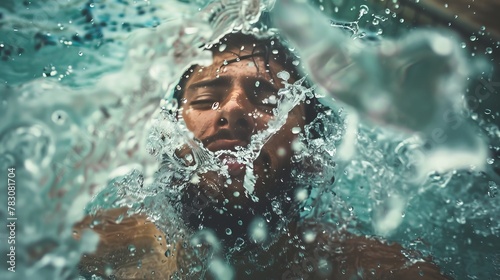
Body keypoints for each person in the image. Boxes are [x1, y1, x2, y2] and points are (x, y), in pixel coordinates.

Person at [74, 32, 451, 279]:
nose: (234, 109)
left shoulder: (383, 272)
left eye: (269, 100)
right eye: (205, 100)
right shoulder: (93, 246)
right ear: (165, 141)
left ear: (310, 154)